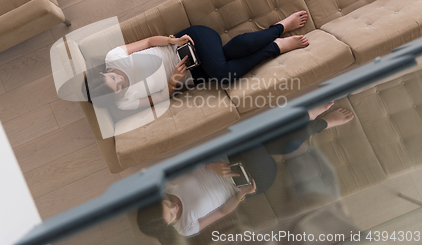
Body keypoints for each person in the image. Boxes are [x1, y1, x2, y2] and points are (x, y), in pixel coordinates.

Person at [136, 103, 354, 242]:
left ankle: (319, 122)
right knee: (269, 144)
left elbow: (192, 157)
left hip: (229, 156)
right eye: (172, 215)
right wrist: (240, 197)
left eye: (167, 205)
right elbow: (221, 213)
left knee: (275, 144)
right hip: (246, 182)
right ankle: (312, 117)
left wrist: (210, 166)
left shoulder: (165, 183)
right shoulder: (185, 228)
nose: (175, 208)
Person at [87, 11, 310, 110]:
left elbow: (147, 42)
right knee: (228, 59)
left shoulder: (113, 57)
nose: (121, 81)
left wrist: (172, 40)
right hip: (193, 74)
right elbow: (160, 97)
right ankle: (277, 36)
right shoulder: (124, 102)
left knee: (225, 75)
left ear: (104, 71)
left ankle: (278, 37)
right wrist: (174, 81)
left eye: (113, 77)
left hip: (189, 42)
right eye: (117, 88)